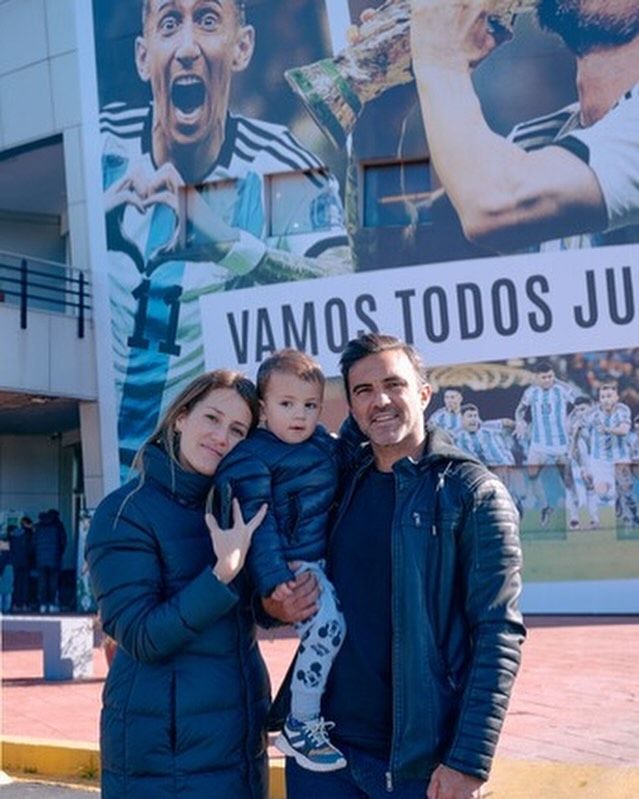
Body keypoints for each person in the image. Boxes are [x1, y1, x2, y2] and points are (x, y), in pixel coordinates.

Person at [268, 333, 525, 799]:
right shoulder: (340, 481)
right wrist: (276, 605)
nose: (380, 400)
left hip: (418, 765)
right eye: (363, 391)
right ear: (351, 406)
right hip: (323, 755)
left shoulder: (473, 493)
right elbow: (292, 571)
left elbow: (498, 635)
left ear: (424, 393)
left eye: (394, 384)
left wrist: (467, 761)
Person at [100, 0, 352, 474]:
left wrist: (233, 246)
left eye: (208, 21)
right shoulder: (97, 146)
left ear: (242, 47)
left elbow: (341, 280)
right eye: (170, 23)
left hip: (207, 470)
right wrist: (87, 221)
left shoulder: (281, 162)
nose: (189, 47)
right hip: (92, 452)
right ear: (142, 54)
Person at [85, 370, 275, 798]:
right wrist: (221, 573)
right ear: (179, 418)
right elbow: (139, 635)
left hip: (238, 742)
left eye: (237, 430)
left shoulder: (234, 508)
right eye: (211, 418)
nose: (221, 436)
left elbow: (250, 613)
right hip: (164, 756)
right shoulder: (125, 513)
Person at [409, 0, 639, 253]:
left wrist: (440, 61)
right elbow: (393, 250)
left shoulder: (513, 179)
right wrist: (383, 118)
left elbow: (493, 206)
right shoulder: (531, 145)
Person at [214, 349, 347, 772]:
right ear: (262, 409)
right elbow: (258, 523)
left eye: (309, 406)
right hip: (292, 567)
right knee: (327, 629)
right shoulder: (252, 457)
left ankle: (286, 713)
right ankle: (300, 724)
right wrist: (273, 579)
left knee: (334, 636)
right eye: (286, 404)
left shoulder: (323, 447)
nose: (299, 415)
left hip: (323, 561)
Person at [514, 361, 578, 527]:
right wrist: (519, 421)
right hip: (539, 444)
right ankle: (545, 507)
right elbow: (520, 410)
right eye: (544, 377)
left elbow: (578, 403)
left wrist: (573, 422)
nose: (548, 380)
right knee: (532, 476)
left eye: (550, 376)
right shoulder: (530, 393)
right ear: (537, 378)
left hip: (560, 444)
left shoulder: (561, 390)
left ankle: (574, 516)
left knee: (567, 480)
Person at [33, 509, 66, 614]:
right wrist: (59, 554)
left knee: (42, 581)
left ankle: (42, 604)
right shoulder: (58, 526)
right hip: (54, 558)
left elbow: (33, 543)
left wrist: (36, 555)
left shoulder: (38, 527)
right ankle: (52, 604)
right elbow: (63, 542)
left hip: (40, 559)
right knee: (53, 581)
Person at [9, 516, 33, 611]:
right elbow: (31, 548)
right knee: (25, 584)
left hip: (15, 562)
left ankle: (15, 604)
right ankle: (24, 604)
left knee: (15, 583)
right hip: (26, 561)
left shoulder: (12, 535)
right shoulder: (28, 534)